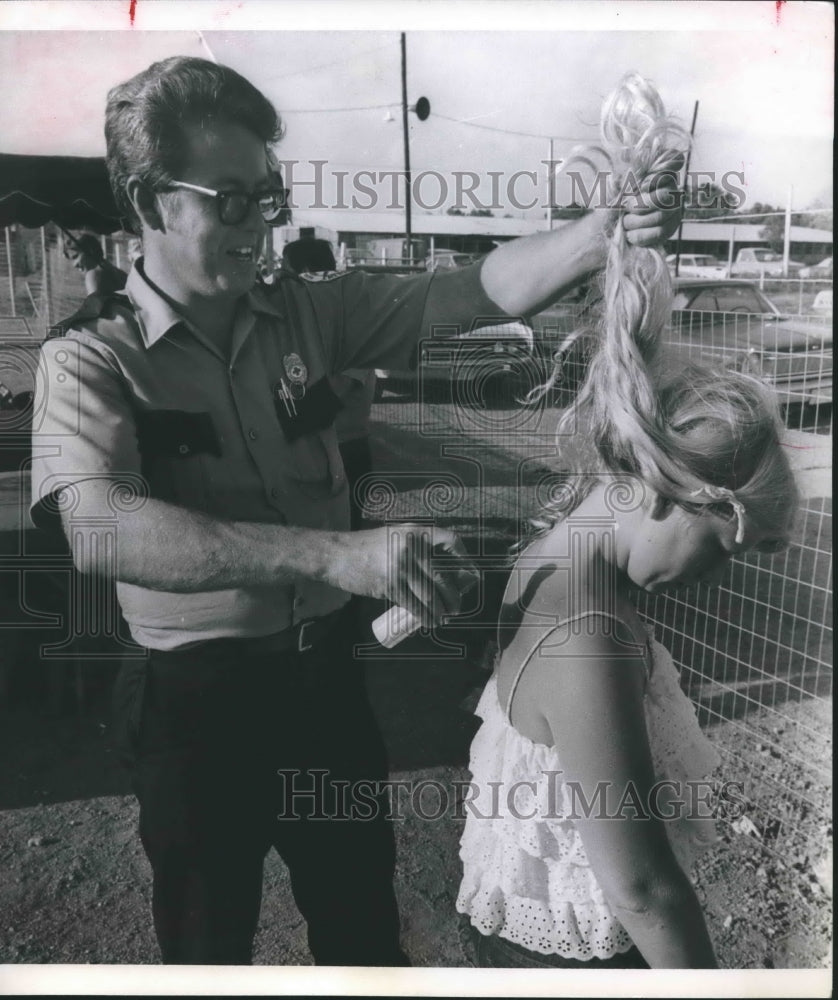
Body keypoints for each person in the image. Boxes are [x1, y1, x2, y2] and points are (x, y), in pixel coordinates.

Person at [29, 57, 682, 966]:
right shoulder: (94, 360)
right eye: (231, 199)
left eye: (270, 193)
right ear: (148, 203)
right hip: (194, 703)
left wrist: (601, 234)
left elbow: (467, 292)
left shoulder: (306, 316)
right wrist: (334, 557)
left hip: (320, 685)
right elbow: (98, 526)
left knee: (361, 927)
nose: (262, 223)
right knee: (207, 944)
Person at [456, 74, 799, 969]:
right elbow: (641, 889)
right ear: (663, 492)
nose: (720, 577)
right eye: (727, 548)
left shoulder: (570, 545)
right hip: (566, 964)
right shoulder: (590, 634)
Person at [279, 238, 377, 530]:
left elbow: (331, 395)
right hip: (312, 452)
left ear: (307, 273)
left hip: (343, 452)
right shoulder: (309, 322)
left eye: (285, 272)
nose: (279, 280)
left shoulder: (348, 326)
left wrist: (269, 422)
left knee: (339, 543)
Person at [64, 232, 128, 296]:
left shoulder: (93, 274)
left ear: (90, 251)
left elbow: (95, 305)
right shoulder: (115, 271)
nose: (74, 265)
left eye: (76, 256)